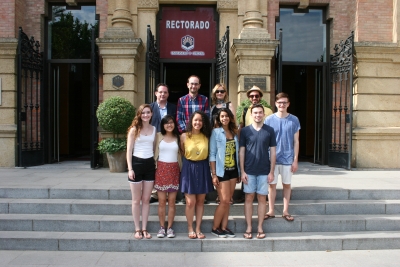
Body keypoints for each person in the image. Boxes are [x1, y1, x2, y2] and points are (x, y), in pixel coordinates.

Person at [239, 103, 276, 239]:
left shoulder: (269, 130)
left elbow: (273, 152)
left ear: (264, 114)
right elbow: (241, 152)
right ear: (251, 114)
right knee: (248, 198)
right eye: (255, 113)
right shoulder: (245, 131)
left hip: (264, 171)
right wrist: (242, 171)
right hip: (249, 170)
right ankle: (249, 227)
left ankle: (260, 227)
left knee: (262, 198)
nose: (258, 115)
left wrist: (272, 171)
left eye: (260, 112)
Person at [264, 92, 300, 222]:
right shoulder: (269, 120)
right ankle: (271, 210)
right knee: (271, 185)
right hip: (272, 159)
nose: (282, 105)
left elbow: (296, 141)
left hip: (287, 158)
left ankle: (285, 210)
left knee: (286, 185)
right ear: (275, 104)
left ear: (288, 104)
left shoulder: (294, 120)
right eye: (279, 102)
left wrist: (295, 160)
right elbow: (266, 141)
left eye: (284, 102)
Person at [176, 75, 210, 204]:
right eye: (191, 84)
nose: (193, 86)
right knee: (188, 162)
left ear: (199, 86)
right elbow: (179, 118)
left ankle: (202, 192)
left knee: (202, 159)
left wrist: (200, 132)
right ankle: (188, 192)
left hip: (201, 135)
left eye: (196, 84)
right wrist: (187, 133)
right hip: (187, 135)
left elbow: (206, 118)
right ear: (187, 85)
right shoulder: (181, 100)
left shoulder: (204, 99)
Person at [237, 85, 273, 203]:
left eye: (256, 95)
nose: (254, 98)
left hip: (263, 141)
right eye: (251, 96)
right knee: (247, 169)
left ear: (260, 97)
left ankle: (263, 195)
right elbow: (241, 125)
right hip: (249, 141)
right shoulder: (246, 110)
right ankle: (245, 194)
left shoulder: (268, 111)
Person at [180, 111, 213, 239]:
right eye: (195, 120)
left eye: (200, 120)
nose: (198, 123)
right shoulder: (184, 136)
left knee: (200, 201)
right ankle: (190, 227)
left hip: (203, 167)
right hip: (189, 167)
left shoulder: (207, 136)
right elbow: (182, 152)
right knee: (190, 202)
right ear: (191, 121)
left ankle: (198, 228)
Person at [126, 104, 156, 239]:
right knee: (136, 200)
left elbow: (153, 148)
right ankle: (137, 229)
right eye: (143, 113)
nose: (145, 115)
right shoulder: (134, 130)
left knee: (146, 199)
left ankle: (144, 228)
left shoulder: (154, 129)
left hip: (149, 164)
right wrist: (130, 168)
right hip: (136, 164)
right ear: (139, 114)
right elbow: (129, 151)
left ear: (151, 114)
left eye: (148, 112)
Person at [209, 108, 240, 238]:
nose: (224, 118)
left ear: (230, 117)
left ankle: (224, 227)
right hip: (222, 172)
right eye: (222, 116)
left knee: (228, 201)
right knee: (224, 200)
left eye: (226, 116)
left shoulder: (234, 132)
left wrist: (239, 171)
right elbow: (212, 155)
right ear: (219, 118)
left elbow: (237, 153)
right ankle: (215, 228)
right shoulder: (216, 132)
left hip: (233, 171)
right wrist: (214, 174)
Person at [154, 115, 182, 238]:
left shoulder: (178, 137)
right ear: (163, 125)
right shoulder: (158, 136)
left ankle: (169, 228)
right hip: (161, 169)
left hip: (174, 170)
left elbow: (182, 154)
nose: (169, 125)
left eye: (171, 123)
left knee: (171, 202)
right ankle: (161, 228)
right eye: (166, 123)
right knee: (161, 202)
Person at [149, 83, 177, 203]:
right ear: (156, 93)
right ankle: (155, 193)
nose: (162, 94)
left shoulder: (173, 107)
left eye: (165, 92)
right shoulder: (149, 108)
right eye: (160, 92)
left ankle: (170, 191)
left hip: (169, 139)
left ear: (168, 94)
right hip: (154, 139)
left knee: (169, 163)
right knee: (156, 164)